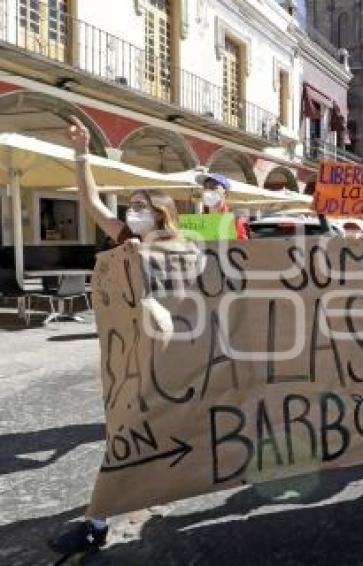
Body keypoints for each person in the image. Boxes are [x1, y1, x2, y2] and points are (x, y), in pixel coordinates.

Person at [47, 117, 183, 558]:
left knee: (146, 430)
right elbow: (90, 203)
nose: (132, 210)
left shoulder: (180, 251)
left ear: (162, 214)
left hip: (168, 358)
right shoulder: (125, 239)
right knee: (125, 431)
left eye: (143, 205)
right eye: (132, 204)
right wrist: (82, 154)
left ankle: (110, 511)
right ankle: (98, 519)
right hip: (129, 358)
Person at [201, 173, 249, 240]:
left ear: (225, 192)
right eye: (206, 187)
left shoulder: (237, 222)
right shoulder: (198, 222)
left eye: (213, 187)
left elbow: (244, 247)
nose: (208, 191)